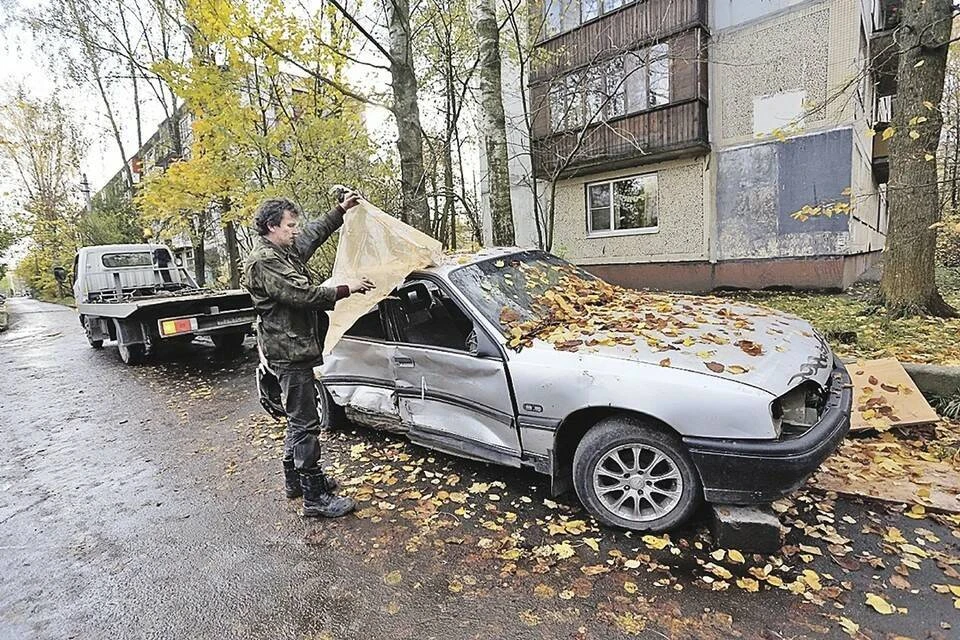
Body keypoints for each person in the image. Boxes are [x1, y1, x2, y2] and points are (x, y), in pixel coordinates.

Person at [242, 195, 374, 518]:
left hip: (293, 346)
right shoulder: (266, 261)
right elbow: (303, 295)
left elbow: (313, 234)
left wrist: (340, 211)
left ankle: (295, 481)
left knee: (296, 417)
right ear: (272, 227)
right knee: (305, 423)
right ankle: (314, 497)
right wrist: (348, 288)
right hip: (289, 352)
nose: (295, 230)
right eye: (289, 225)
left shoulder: (282, 251)